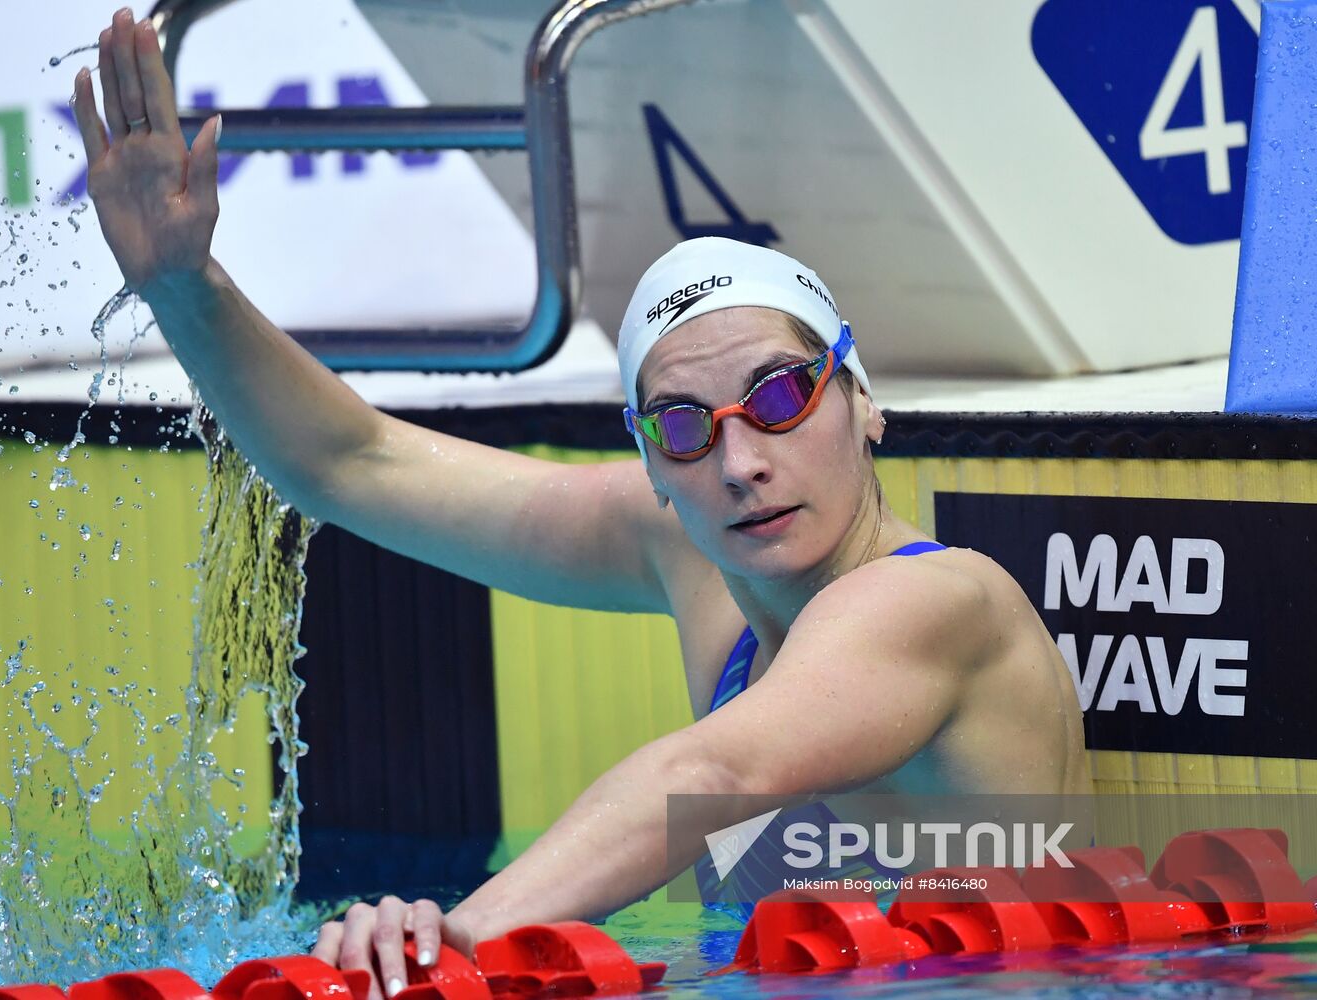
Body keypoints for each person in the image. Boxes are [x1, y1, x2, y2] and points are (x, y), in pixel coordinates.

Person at [71, 9, 1089, 998]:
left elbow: (720, 771)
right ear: (648, 462)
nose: (739, 462)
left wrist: (451, 943)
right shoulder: (693, 551)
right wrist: (184, 284)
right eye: (684, 426)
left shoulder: (936, 602)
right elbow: (351, 462)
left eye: (780, 397)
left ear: (864, 405)